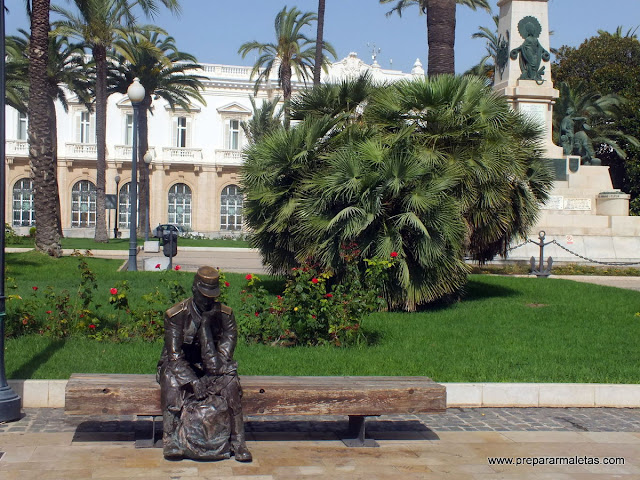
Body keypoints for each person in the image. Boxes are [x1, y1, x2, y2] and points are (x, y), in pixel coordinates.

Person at [157, 266, 252, 462]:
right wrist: (192, 381)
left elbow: (219, 362)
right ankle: (171, 440)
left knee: (231, 384)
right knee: (172, 382)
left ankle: (238, 442)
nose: (208, 300)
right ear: (194, 290)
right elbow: (174, 356)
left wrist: (206, 326)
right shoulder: (176, 315)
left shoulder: (225, 316)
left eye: (212, 296)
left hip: (211, 366)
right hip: (180, 365)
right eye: (204, 296)